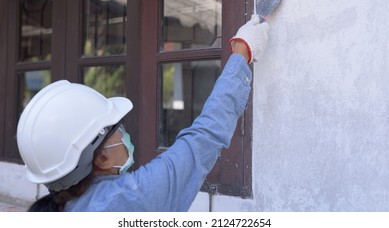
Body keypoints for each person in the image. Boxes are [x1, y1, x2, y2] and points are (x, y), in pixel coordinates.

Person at [17, 16, 269, 212]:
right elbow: (204, 137)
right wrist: (241, 54)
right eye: (118, 131)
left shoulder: (63, 208)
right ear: (101, 158)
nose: (125, 136)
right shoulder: (130, 199)